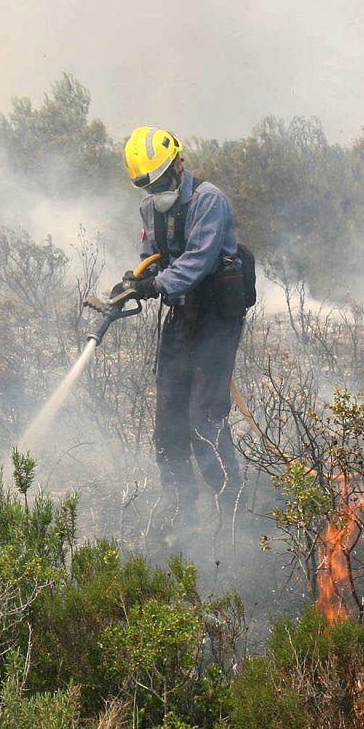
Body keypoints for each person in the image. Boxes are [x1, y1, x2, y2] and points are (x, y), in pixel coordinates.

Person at [117, 126, 255, 523]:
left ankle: (229, 504)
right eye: (147, 186)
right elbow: (152, 257)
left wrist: (154, 284)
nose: (155, 191)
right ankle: (181, 503)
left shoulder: (210, 201)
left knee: (204, 416)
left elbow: (198, 261)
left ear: (178, 164)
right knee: (169, 417)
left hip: (215, 318)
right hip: (181, 315)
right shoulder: (150, 209)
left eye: (161, 180)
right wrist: (135, 281)